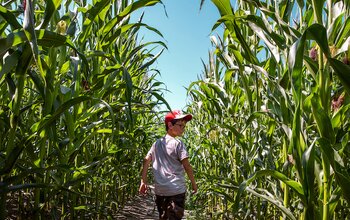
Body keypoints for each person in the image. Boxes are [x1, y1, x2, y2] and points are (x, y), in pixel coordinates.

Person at [139, 110, 198, 220]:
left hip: (160, 191)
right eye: (180, 125)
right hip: (176, 191)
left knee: (164, 217)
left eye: (184, 126)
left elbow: (146, 160)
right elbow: (187, 166)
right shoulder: (178, 144)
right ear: (170, 125)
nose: (183, 129)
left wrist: (143, 181)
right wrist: (194, 184)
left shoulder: (156, 144)